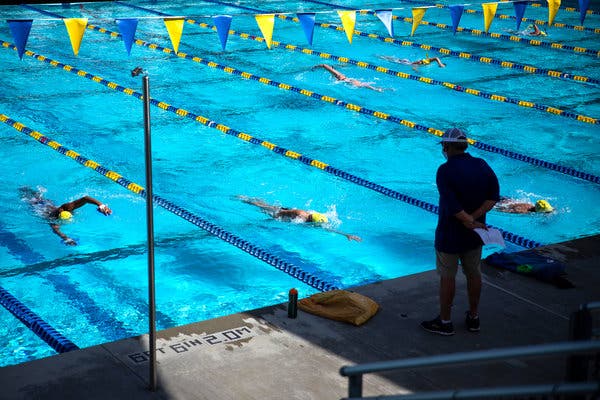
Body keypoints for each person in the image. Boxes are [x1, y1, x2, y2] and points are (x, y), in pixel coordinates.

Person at [421, 128, 500, 336]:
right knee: (474, 273)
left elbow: (452, 205)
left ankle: (445, 322)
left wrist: (467, 220)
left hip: (450, 234)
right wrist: (474, 219)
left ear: (446, 147)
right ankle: (474, 318)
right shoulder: (482, 164)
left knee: (448, 277)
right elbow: (493, 197)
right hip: (476, 233)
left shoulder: (445, 170)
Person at [238, 196, 361, 242]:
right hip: (282, 212)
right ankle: (245, 199)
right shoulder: (300, 214)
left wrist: (346, 234)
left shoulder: (315, 220)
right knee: (263, 207)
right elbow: (282, 212)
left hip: (286, 216)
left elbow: (327, 229)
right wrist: (275, 217)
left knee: (264, 207)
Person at [20, 186, 112, 246]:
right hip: (39, 208)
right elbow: (57, 231)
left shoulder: (67, 207)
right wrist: (67, 239)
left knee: (40, 197)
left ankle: (27, 189)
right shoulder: (53, 220)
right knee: (29, 198)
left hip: (48, 204)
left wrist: (101, 205)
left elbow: (86, 198)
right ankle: (23, 189)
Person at [313, 64, 387, 92]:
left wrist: (316, 67)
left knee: (363, 85)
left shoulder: (337, 74)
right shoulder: (338, 75)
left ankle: (376, 89)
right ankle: (383, 88)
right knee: (364, 85)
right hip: (349, 80)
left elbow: (324, 65)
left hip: (350, 81)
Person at [380, 55, 446, 71]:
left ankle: (383, 56)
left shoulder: (426, 63)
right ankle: (381, 57)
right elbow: (436, 58)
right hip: (406, 62)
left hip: (407, 61)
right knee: (392, 60)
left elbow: (436, 58)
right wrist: (440, 64)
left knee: (394, 59)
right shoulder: (425, 62)